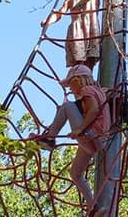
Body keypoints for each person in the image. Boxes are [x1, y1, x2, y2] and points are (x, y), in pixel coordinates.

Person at [29, 64, 110, 201]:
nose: (70, 90)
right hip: (97, 142)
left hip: (92, 136)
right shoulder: (98, 92)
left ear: (78, 80)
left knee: (67, 106)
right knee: (75, 173)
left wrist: (80, 129)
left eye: (70, 85)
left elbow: (94, 110)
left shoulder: (87, 90)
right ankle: (93, 207)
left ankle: (50, 139)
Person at [41, 0, 102, 70]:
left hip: (90, 31)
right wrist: (48, 21)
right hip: (76, 33)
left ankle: (88, 82)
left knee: (89, 62)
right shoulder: (70, 0)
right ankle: (79, 82)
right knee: (78, 64)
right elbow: (59, 14)